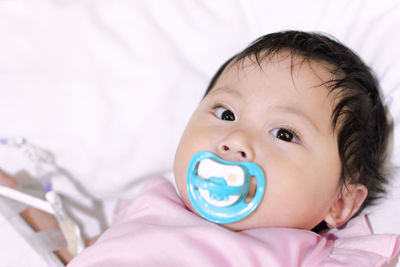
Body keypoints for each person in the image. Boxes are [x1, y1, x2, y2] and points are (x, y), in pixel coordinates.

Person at [1, 31, 399, 266]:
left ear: (340, 203)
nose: (237, 139)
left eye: (283, 134)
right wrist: (34, 216)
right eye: (225, 113)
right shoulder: (150, 204)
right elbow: (86, 254)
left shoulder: (306, 254)